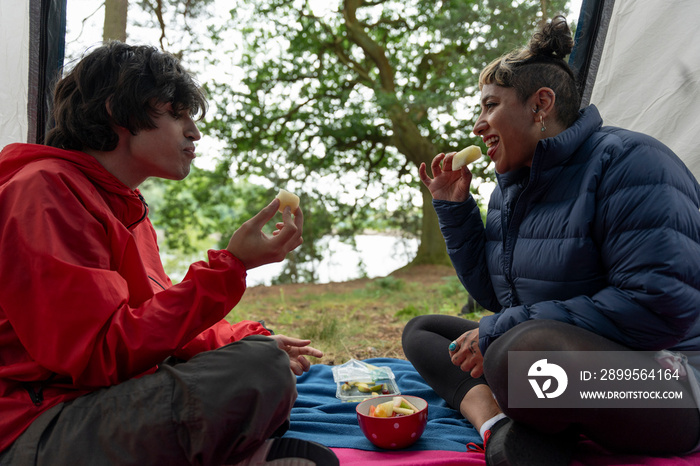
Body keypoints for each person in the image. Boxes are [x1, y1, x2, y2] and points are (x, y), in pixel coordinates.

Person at [0, 42, 338, 465]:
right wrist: (232, 267)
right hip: (37, 429)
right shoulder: (42, 193)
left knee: (258, 356)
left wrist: (243, 336)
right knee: (258, 370)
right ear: (118, 114)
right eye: (177, 115)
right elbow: (101, 353)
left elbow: (150, 320)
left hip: (99, 404)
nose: (194, 133)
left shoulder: (124, 205)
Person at [403, 15, 700, 466]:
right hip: (563, 368)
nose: (479, 125)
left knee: (518, 351)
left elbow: (658, 305)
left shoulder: (631, 164)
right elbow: (495, 296)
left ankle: (537, 419)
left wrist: (500, 331)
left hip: (664, 383)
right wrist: (455, 209)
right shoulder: (510, 189)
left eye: (490, 106)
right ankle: (498, 425)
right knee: (425, 331)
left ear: (540, 103)